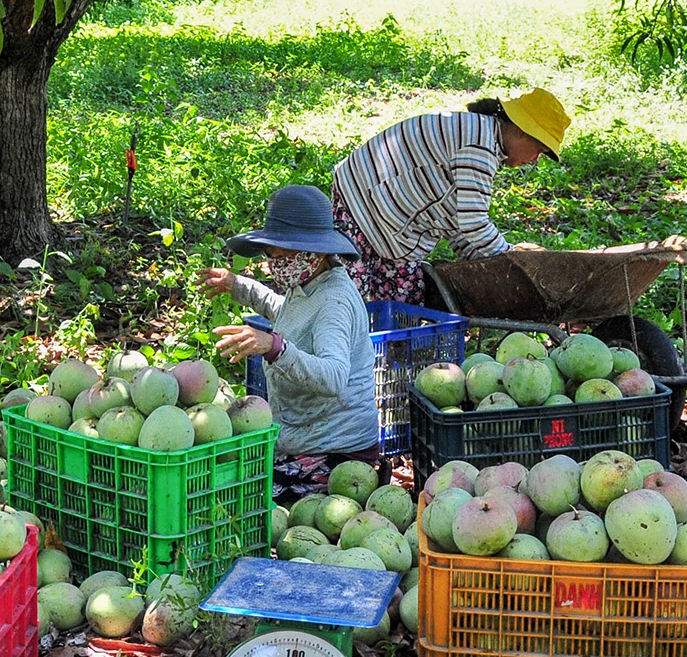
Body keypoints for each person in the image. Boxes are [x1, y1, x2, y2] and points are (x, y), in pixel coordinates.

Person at [199, 185, 382, 500]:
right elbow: (287, 313)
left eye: (287, 255)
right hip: (302, 437)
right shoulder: (307, 281)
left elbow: (335, 376)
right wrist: (238, 286)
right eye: (273, 254)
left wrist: (274, 347)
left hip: (338, 453)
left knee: (244, 499)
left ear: (317, 252)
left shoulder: (333, 301)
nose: (277, 262)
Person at [330, 88, 571, 306]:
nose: (534, 160)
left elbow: (458, 219)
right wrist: (512, 259)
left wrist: (481, 259)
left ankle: (387, 353)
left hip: (391, 215)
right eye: (539, 150)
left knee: (406, 303)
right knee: (350, 298)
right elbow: (474, 223)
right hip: (361, 199)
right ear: (521, 131)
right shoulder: (480, 145)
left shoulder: (483, 137)